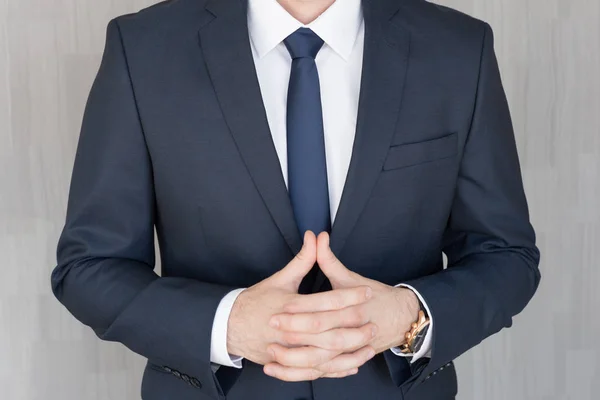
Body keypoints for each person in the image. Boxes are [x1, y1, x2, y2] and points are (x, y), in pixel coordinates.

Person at [50, 0, 541, 399]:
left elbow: (506, 256)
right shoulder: (142, 48)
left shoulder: (458, 49)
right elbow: (90, 266)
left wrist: (409, 318)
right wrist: (228, 325)